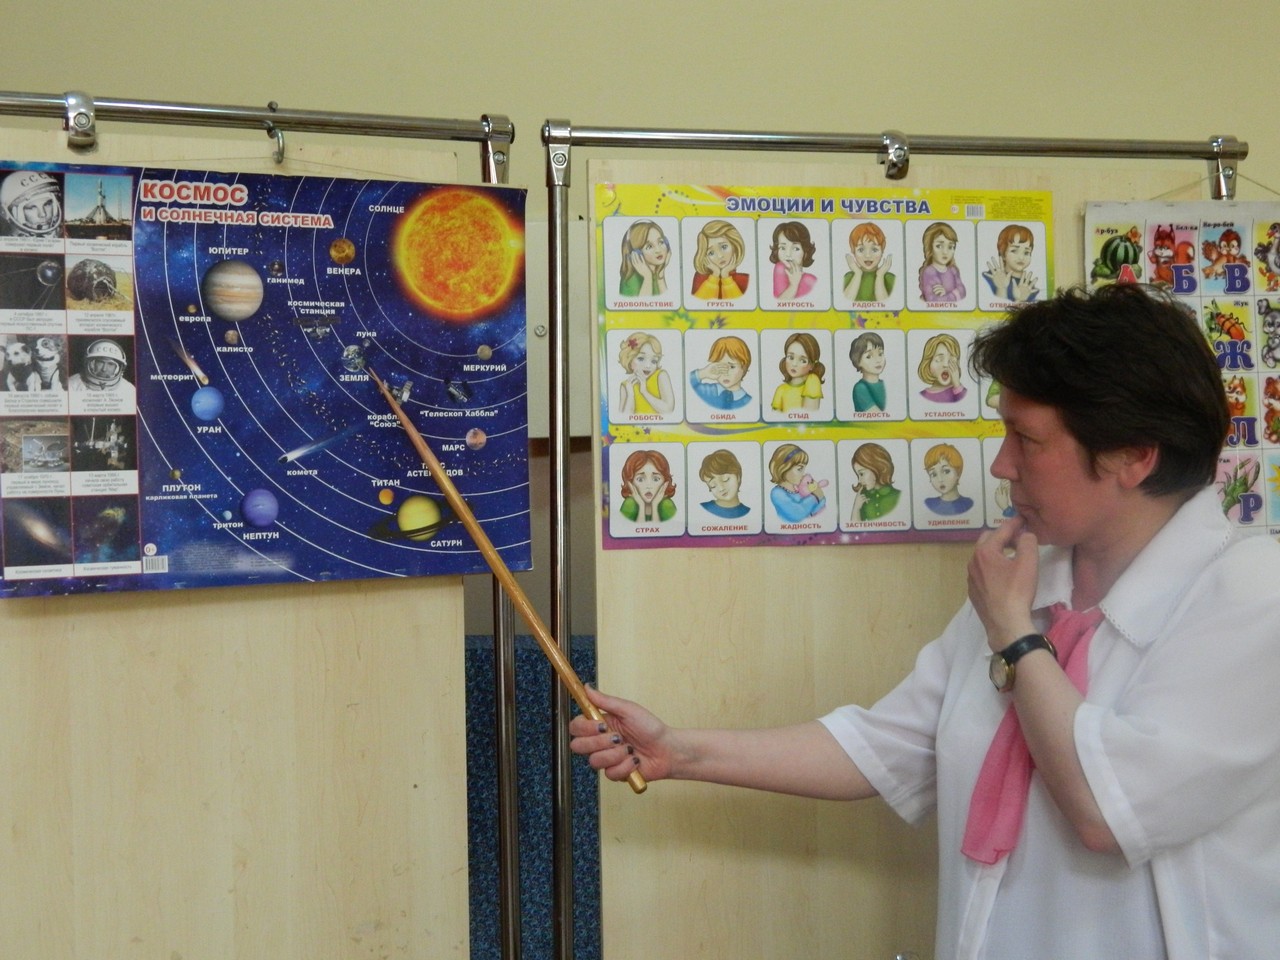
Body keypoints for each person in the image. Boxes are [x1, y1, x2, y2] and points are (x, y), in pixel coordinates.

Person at [570, 284, 1280, 959]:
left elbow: (1107, 810)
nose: (1001, 466)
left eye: (1026, 439)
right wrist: (679, 752)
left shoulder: (1248, 593)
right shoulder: (1032, 582)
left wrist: (1015, 635)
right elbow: (889, 745)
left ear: (1133, 455)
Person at [615, 332, 675, 416]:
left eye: (653, 361)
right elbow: (623, 418)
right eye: (641, 359)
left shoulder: (661, 375)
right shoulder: (626, 385)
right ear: (629, 359)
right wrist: (630, 395)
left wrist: (644, 392)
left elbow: (668, 410)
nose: (648, 366)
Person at [688, 335, 752, 411]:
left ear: (743, 367)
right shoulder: (707, 391)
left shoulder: (748, 402)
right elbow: (686, 384)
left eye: (732, 367)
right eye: (720, 366)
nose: (725, 373)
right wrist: (704, 373)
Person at [690, 220, 749, 300]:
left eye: (724, 247)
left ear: (735, 246)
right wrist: (715, 275)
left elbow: (738, 304)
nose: (720, 256)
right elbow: (699, 303)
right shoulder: (700, 278)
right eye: (711, 253)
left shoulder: (744, 280)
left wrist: (726, 276)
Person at [766, 443, 826, 522]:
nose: (803, 473)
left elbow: (821, 503)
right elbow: (796, 513)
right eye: (799, 469)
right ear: (784, 468)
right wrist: (815, 496)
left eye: (804, 469)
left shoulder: (799, 489)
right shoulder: (777, 493)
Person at [982, 223, 1040, 303]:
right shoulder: (990, 278)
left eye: (1026, 252)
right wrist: (1001, 288)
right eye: (1014, 251)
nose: (1021, 257)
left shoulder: (1030, 288)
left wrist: (1020, 300)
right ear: (1003, 254)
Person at [770, 332, 825, 413]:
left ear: (812, 365)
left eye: (803, 360)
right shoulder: (780, 389)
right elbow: (775, 416)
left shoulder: (813, 380)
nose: (794, 364)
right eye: (791, 357)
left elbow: (810, 414)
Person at [617, 448, 677, 523]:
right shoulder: (629, 504)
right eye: (640, 479)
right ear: (630, 482)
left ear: (665, 482)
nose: (648, 486)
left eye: (656, 479)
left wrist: (655, 506)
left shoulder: (666, 505)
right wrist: (641, 507)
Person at [842, 221, 895, 303]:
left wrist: (880, 275)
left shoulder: (889, 278)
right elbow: (845, 302)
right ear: (853, 252)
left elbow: (885, 304)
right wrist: (857, 274)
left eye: (874, 249)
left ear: (882, 251)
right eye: (861, 250)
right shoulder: (848, 277)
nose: (867, 255)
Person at [848, 442, 901, 522]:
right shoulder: (862, 499)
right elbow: (854, 527)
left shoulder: (898, 496)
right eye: (858, 475)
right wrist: (856, 508)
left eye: (862, 474)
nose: (859, 480)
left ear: (878, 467)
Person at [618, 220, 671, 297]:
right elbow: (643, 303)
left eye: (661, 242)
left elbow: (666, 301)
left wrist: (660, 275)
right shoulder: (630, 281)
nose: (658, 250)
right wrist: (647, 278)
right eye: (649, 246)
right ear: (636, 254)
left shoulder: (656, 273)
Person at [921, 441, 974, 516]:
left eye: (946, 471)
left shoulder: (968, 504)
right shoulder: (928, 503)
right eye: (933, 474)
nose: (940, 479)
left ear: (958, 472)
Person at [768, 221, 818, 300]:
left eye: (795, 249)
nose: (788, 254)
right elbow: (779, 303)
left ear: (805, 252)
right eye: (783, 248)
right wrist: (793, 285)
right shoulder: (780, 268)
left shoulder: (811, 280)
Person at [918, 221, 965, 303]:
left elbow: (962, 291)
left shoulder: (953, 270)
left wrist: (946, 294)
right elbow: (932, 300)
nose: (945, 252)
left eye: (950, 247)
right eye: (939, 246)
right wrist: (955, 294)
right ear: (930, 247)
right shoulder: (929, 272)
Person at [698, 449, 750, 519]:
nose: (721, 488)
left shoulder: (748, 511)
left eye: (726, 479)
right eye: (713, 486)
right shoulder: (703, 508)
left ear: (738, 477)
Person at [917, 332, 967, 403]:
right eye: (939, 360)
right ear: (928, 363)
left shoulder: (959, 391)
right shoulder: (922, 395)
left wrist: (957, 384)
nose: (946, 365)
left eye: (951, 360)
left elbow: (967, 403)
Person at [848, 331, 887, 412]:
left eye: (880, 354)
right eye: (869, 356)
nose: (878, 360)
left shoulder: (885, 384)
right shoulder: (860, 388)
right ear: (858, 361)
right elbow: (878, 416)